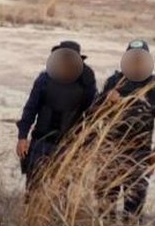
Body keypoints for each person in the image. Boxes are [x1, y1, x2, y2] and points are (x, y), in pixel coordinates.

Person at [94, 40, 155, 226]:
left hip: (139, 155)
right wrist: (107, 101)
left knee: (134, 205)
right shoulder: (114, 82)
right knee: (105, 202)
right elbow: (95, 114)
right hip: (109, 151)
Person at [16, 43, 98, 189]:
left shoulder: (86, 83)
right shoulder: (45, 79)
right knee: (34, 189)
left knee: (61, 192)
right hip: (41, 142)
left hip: (69, 146)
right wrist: (22, 137)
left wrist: (87, 145)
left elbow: (93, 114)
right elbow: (30, 108)